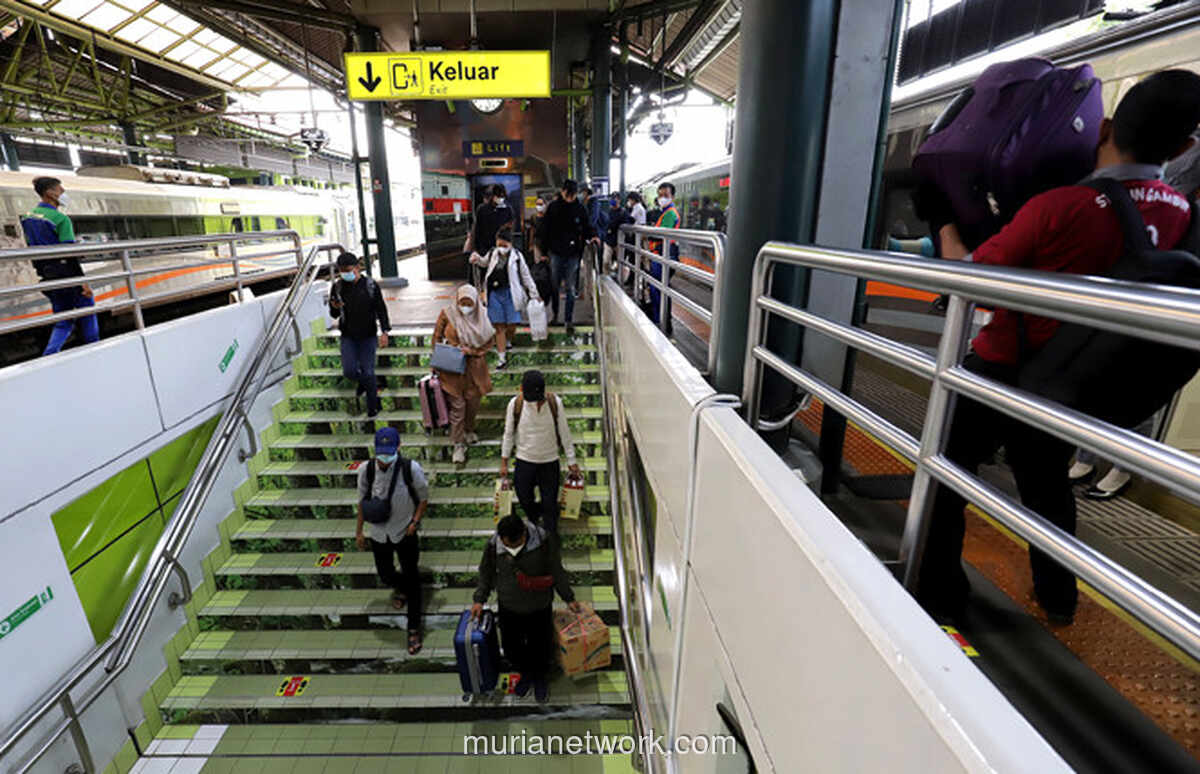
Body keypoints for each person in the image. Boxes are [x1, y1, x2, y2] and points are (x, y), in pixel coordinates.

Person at [917, 70, 1200, 625]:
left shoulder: (1060, 206)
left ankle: (940, 590)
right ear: (1186, 147)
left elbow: (972, 276)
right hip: (1071, 381)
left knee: (947, 468)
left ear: (1106, 128)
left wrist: (945, 228)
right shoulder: (1180, 215)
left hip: (1001, 365)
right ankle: (1058, 596)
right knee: (1046, 486)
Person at [471, 514, 583, 702]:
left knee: (540, 646)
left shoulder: (543, 541)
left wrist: (568, 597)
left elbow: (556, 569)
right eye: (508, 545)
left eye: (515, 545)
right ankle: (525, 673)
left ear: (524, 534)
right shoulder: (493, 546)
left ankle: (540, 678)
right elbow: (486, 573)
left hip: (539, 605)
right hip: (508, 605)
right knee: (511, 648)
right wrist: (479, 599)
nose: (512, 549)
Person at [355, 427, 428, 654]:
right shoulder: (365, 470)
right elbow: (361, 502)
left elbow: (424, 499)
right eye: (381, 453)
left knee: (411, 575)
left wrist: (414, 522)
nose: (385, 458)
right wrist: (359, 532)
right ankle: (405, 588)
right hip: (378, 533)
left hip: (404, 531)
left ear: (398, 447)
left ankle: (413, 628)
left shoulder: (410, 469)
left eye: (389, 452)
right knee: (385, 574)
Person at [20, 177, 99, 356]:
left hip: (47, 274)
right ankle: (95, 349)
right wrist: (82, 282)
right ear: (50, 193)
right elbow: (69, 254)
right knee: (88, 309)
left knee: (63, 319)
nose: (63, 194)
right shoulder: (60, 219)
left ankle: (50, 354)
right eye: (60, 191)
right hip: (67, 273)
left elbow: (31, 248)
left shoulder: (27, 217)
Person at [499, 369, 580, 539]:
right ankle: (535, 521)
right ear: (521, 390)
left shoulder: (554, 403)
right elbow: (508, 434)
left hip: (550, 460)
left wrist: (572, 460)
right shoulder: (515, 405)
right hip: (524, 460)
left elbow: (565, 433)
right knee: (524, 497)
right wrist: (504, 461)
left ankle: (550, 541)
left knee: (550, 504)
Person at [434, 285, 495, 464]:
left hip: (474, 368)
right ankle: (458, 444)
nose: (465, 306)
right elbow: (437, 336)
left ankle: (469, 430)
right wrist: (437, 358)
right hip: (452, 369)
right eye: (462, 302)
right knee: (457, 407)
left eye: (469, 303)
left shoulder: (483, 316)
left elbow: (489, 341)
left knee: (472, 402)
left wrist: (473, 351)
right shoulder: (448, 314)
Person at [329, 252, 390, 418]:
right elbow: (334, 314)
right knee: (349, 371)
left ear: (357, 268)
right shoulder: (338, 287)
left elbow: (381, 309)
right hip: (348, 336)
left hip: (368, 335)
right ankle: (368, 385)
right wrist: (334, 306)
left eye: (348, 270)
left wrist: (384, 331)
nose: (345, 274)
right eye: (342, 271)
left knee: (368, 372)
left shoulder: (370, 285)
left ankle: (373, 406)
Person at [538, 179, 598, 335]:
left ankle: (568, 319)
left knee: (571, 288)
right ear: (563, 191)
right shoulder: (553, 207)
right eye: (568, 194)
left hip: (573, 253)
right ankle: (556, 315)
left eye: (573, 195)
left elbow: (587, 226)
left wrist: (593, 236)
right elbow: (545, 230)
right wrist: (544, 252)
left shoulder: (580, 208)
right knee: (554, 286)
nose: (570, 197)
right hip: (556, 253)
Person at [472, 226, 538, 368]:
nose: (501, 247)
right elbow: (484, 263)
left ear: (510, 244)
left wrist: (534, 294)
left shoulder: (517, 257)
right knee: (499, 326)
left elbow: (526, 276)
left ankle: (508, 340)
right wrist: (477, 259)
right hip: (494, 294)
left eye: (504, 244)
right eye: (499, 243)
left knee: (512, 323)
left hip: (511, 294)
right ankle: (502, 359)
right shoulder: (492, 254)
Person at [647, 182, 681, 328]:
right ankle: (662, 319)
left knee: (658, 288)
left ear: (672, 196)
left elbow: (660, 235)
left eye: (666, 195)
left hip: (664, 255)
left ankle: (660, 320)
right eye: (660, 195)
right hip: (662, 254)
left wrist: (648, 233)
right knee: (660, 288)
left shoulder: (669, 213)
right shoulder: (665, 212)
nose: (662, 198)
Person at [467, 184, 514, 282]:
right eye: (498, 196)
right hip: (485, 249)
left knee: (501, 276)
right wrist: (475, 249)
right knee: (486, 276)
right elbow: (477, 230)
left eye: (502, 196)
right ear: (493, 196)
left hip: (501, 249)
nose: (500, 199)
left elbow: (510, 229)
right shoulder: (482, 209)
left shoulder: (507, 210)